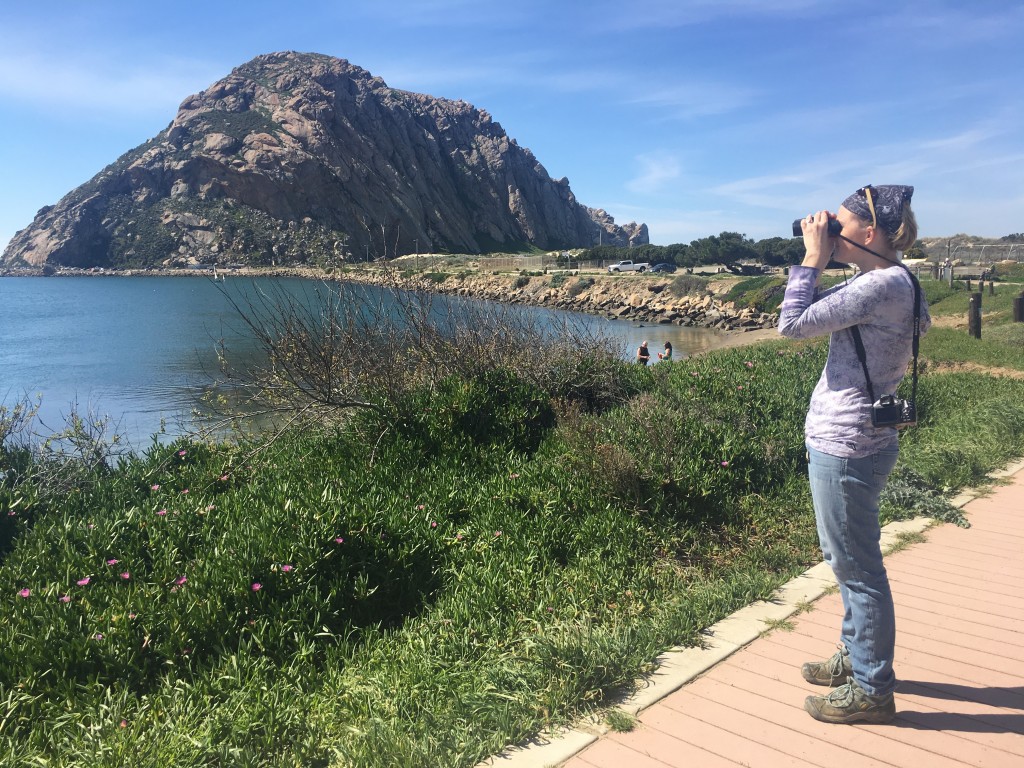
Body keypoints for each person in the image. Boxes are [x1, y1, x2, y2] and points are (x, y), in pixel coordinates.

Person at [778, 184, 931, 725]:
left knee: (858, 568)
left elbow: (791, 324)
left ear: (870, 234)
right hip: (863, 439)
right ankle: (857, 653)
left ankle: (871, 687)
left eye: (840, 226)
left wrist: (813, 258)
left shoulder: (879, 285)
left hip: (846, 443)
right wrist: (834, 256)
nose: (829, 230)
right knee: (848, 561)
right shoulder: (898, 279)